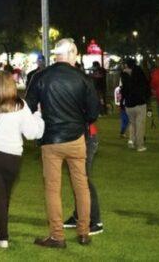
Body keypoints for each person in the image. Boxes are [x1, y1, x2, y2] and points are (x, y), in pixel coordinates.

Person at [26, 39, 100, 248]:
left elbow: (28, 106)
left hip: (50, 139)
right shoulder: (83, 78)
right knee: (81, 185)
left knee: (52, 188)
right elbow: (93, 113)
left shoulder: (40, 76)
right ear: (71, 53)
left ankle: (57, 235)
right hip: (76, 137)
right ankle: (84, 232)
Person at [0, 70, 45, 249]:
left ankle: (2, 234)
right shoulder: (21, 105)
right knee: (3, 195)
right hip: (12, 157)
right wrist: (38, 116)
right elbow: (32, 133)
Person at [121, 58, 150, 151]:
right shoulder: (139, 72)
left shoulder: (124, 75)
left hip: (129, 103)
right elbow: (145, 86)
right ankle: (140, 145)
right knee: (140, 125)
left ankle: (131, 141)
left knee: (132, 124)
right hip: (139, 102)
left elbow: (123, 89)